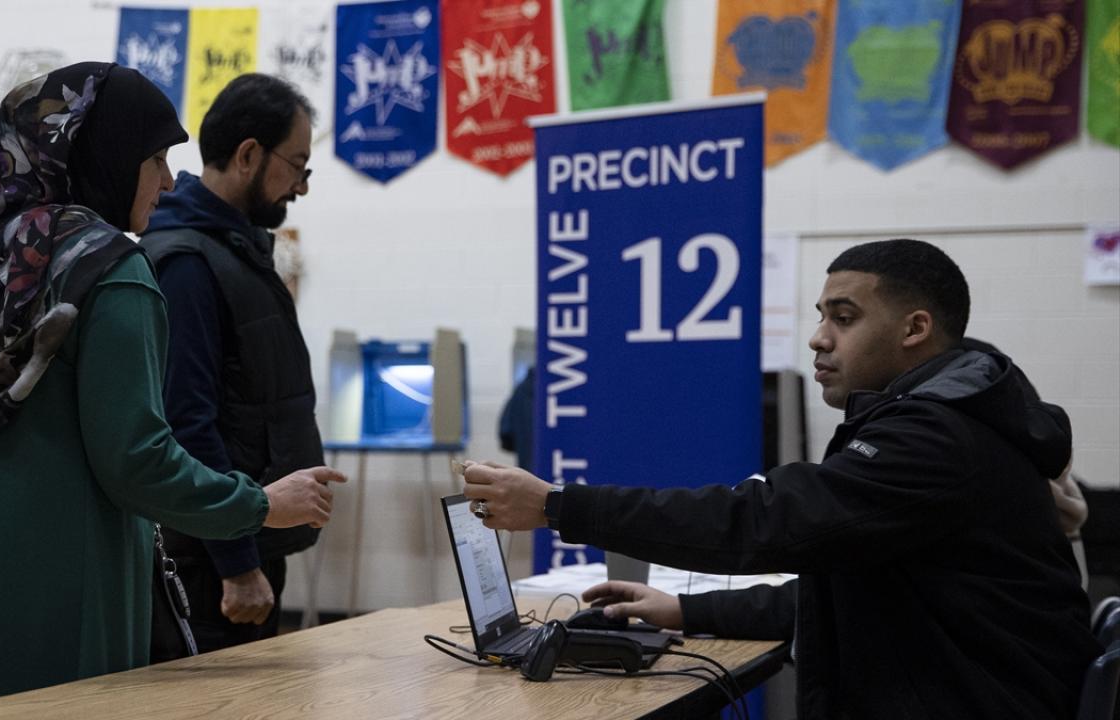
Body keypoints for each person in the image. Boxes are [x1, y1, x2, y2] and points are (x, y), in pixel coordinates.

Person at [0, 62, 343, 719]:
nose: (169, 180)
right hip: (58, 589)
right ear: (107, 155)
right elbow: (138, 462)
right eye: (155, 159)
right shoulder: (112, 273)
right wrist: (259, 505)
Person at [462, 239, 1103, 720]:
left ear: (915, 328)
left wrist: (558, 505)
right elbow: (848, 589)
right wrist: (686, 610)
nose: (818, 339)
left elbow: (765, 521)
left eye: (844, 318)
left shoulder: (935, 437)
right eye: (822, 317)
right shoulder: (952, 418)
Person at [138, 73, 323, 657]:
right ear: (248, 155)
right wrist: (238, 564)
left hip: (246, 541)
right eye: (297, 166)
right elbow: (187, 422)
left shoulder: (232, 250)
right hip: (211, 566)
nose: (301, 186)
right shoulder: (188, 264)